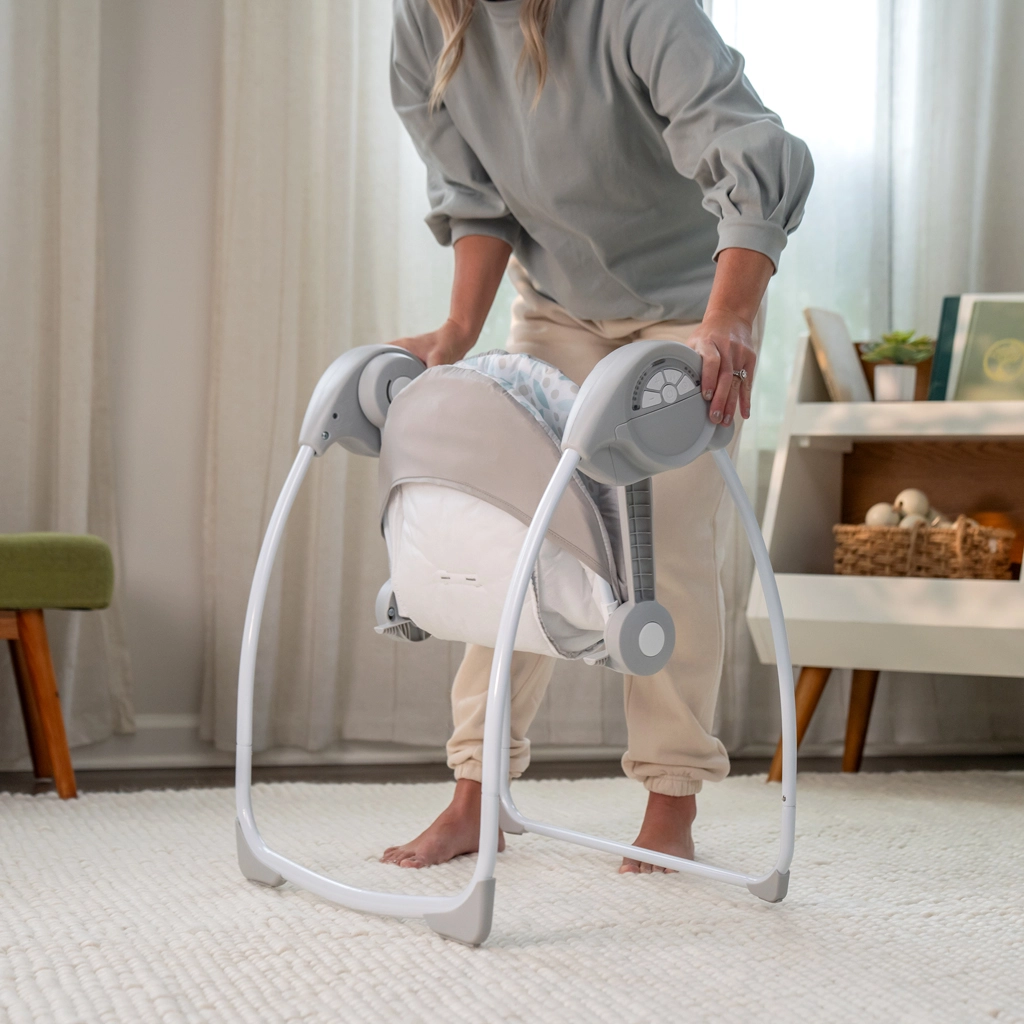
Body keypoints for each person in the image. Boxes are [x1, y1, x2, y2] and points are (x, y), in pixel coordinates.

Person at [381, 0, 812, 873]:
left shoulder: (637, 10)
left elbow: (752, 149)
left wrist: (730, 317)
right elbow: (477, 200)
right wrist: (457, 331)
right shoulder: (428, 19)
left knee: (665, 543)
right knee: (509, 534)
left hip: (692, 311)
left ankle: (670, 801)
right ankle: (476, 796)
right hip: (557, 306)